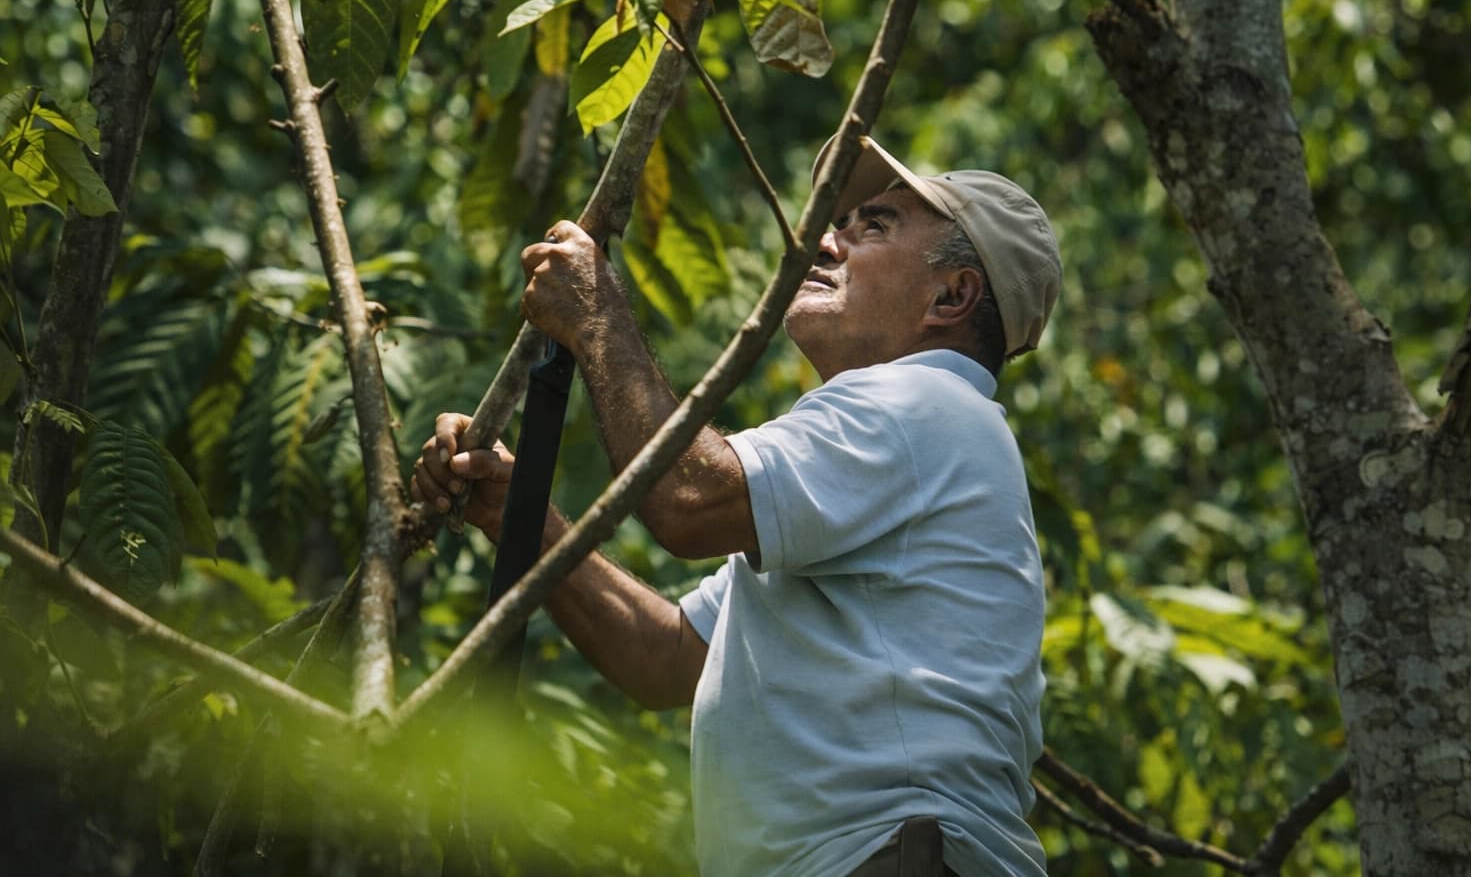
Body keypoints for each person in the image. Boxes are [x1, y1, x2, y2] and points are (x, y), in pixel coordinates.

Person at [413, 135, 1062, 876]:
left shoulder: (922, 403)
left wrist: (596, 316)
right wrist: (516, 512)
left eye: (873, 226)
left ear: (951, 296)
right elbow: (664, 657)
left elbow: (688, 500)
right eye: (840, 222)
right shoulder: (875, 465)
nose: (826, 242)